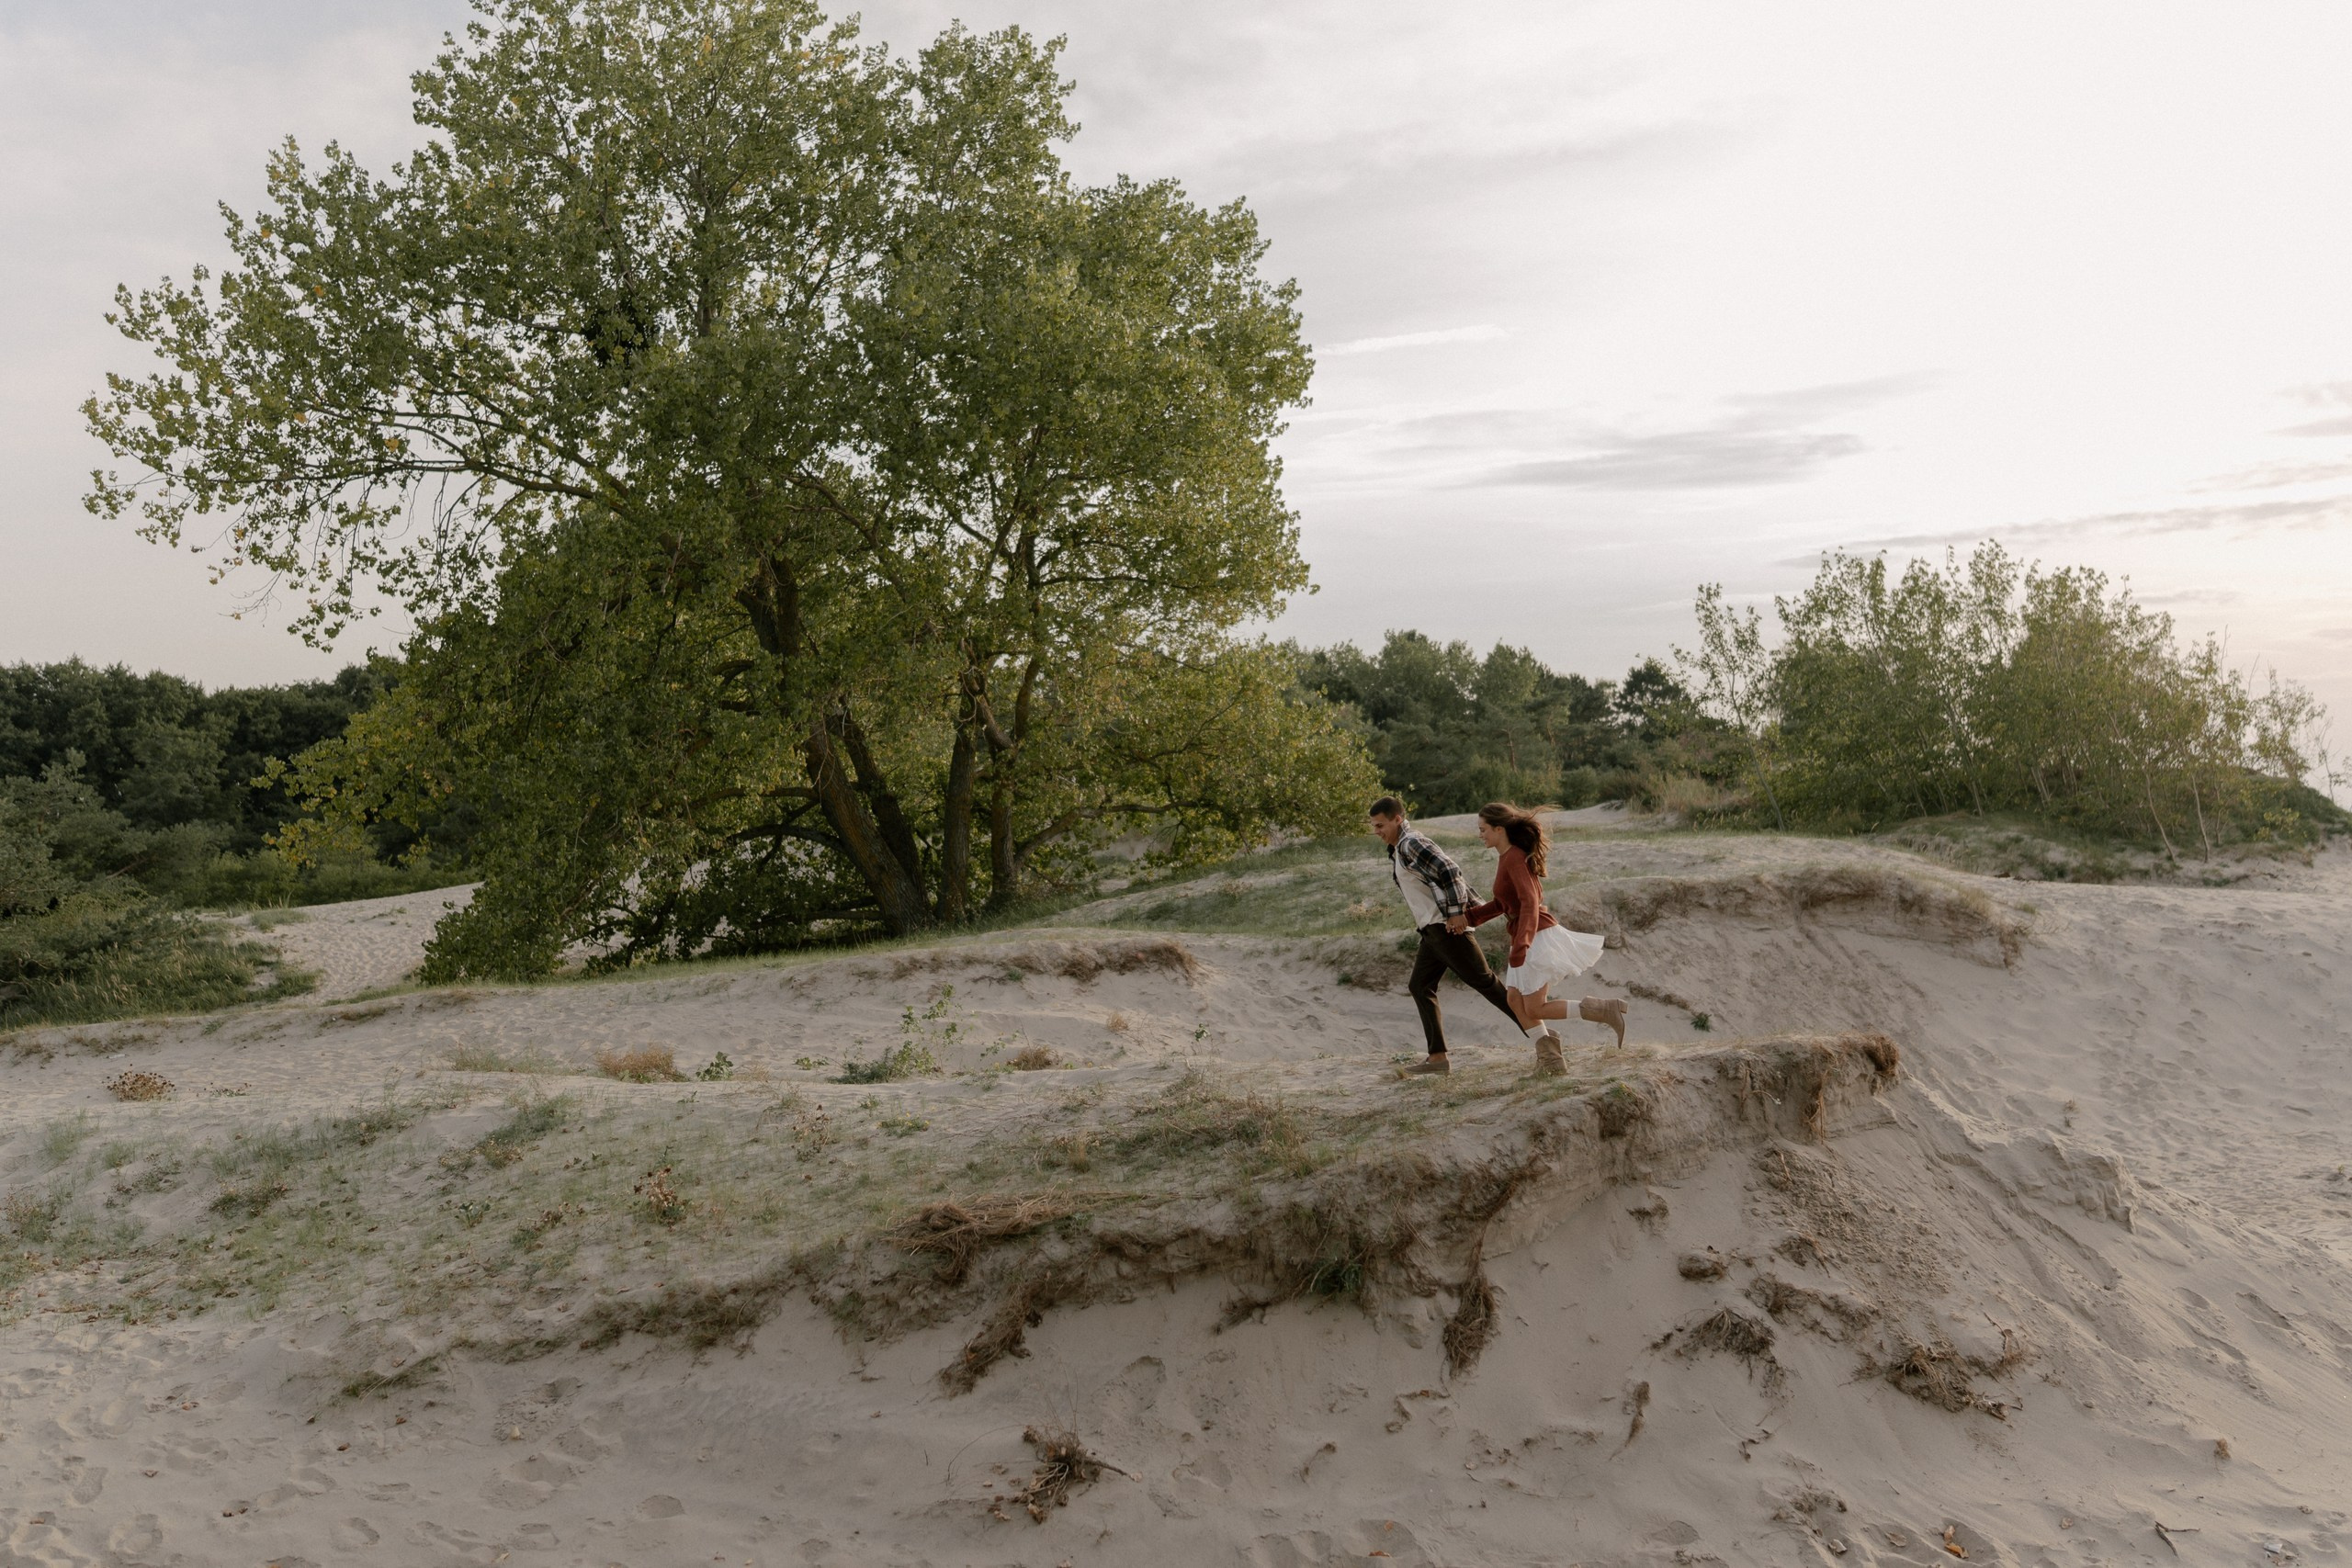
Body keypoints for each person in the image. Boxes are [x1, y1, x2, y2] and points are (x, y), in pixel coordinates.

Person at [1465, 801, 1626, 1076]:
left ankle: (1604, 1010)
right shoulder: (1506, 856)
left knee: (1535, 1005)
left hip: (1536, 935)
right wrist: (1470, 918)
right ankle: (1552, 1061)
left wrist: (1523, 943)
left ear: (1499, 829)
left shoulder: (1514, 857)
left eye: (1483, 830)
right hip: (1526, 933)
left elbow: (1530, 901)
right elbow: (1504, 902)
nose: (1480, 835)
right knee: (1515, 1001)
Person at [1369, 795, 1522, 1077]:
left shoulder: (1411, 843)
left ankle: (1542, 1036)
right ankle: (1438, 1057)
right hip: (1432, 932)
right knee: (1420, 986)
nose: (1377, 831)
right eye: (1374, 827)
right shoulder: (1400, 849)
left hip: (1445, 928)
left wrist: (1455, 913)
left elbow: (1450, 870)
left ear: (1397, 820)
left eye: (1380, 825)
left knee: (1487, 984)